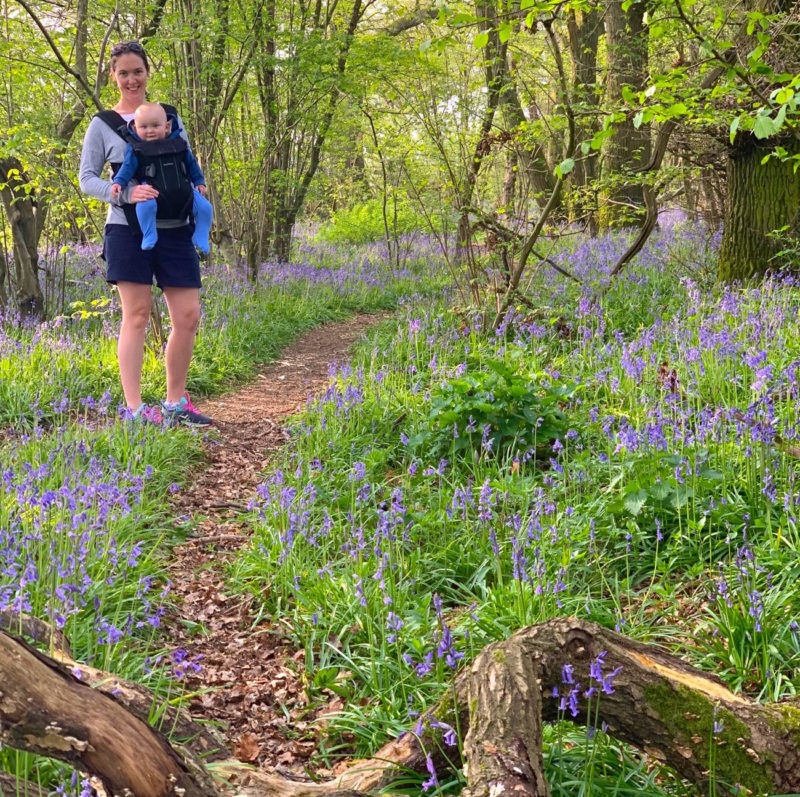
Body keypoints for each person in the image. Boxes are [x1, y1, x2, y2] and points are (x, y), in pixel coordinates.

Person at [79, 41, 212, 426]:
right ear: (113, 77)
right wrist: (123, 193)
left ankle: (175, 404)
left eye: (138, 71)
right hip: (126, 230)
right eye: (124, 73)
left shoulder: (169, 116)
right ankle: (136, 410)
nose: (131, 79)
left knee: (187, 316)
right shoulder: (103, 125)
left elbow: (187, 160)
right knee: (136, 315)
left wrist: (198, 188)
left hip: (175, 228)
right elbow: (87, 179)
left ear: (147, 73)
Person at [110, 102, 213, 255]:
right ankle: (149, 233)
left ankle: (201, 234)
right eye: (143, 127)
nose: (150, 131)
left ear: (167, 127)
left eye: (155, 126)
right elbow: (127, 167)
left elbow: (192, 165)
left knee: (205, 208)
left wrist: (199, 182)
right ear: (135, 128)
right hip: (152, 191)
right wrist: (119, 182)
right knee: (144, 208)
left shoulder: (179, 143)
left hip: (184, 191)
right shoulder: (136, 148)